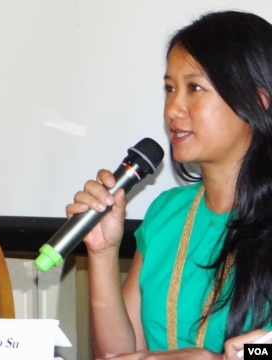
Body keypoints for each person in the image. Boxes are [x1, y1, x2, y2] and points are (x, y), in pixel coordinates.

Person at [67, 11, 272, 359]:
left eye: (194, 88)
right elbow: (117, 355)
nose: (173, 109)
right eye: (169, 89)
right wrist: (101, 254)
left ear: (257, 101)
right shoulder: (166, 213)